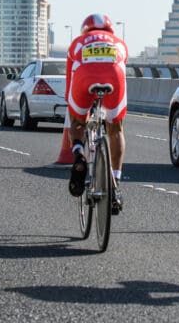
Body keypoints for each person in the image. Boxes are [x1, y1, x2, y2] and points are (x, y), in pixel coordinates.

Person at [66, 13, 129, 214]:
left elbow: (70, 79)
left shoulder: (77, 43)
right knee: (116, 128)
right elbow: (122, 70)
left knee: (77, 121)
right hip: (114, 78)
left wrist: (76, 111)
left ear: (85, 30)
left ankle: (79, 154)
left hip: (84, 78)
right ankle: (115, 182)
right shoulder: (120, 43)